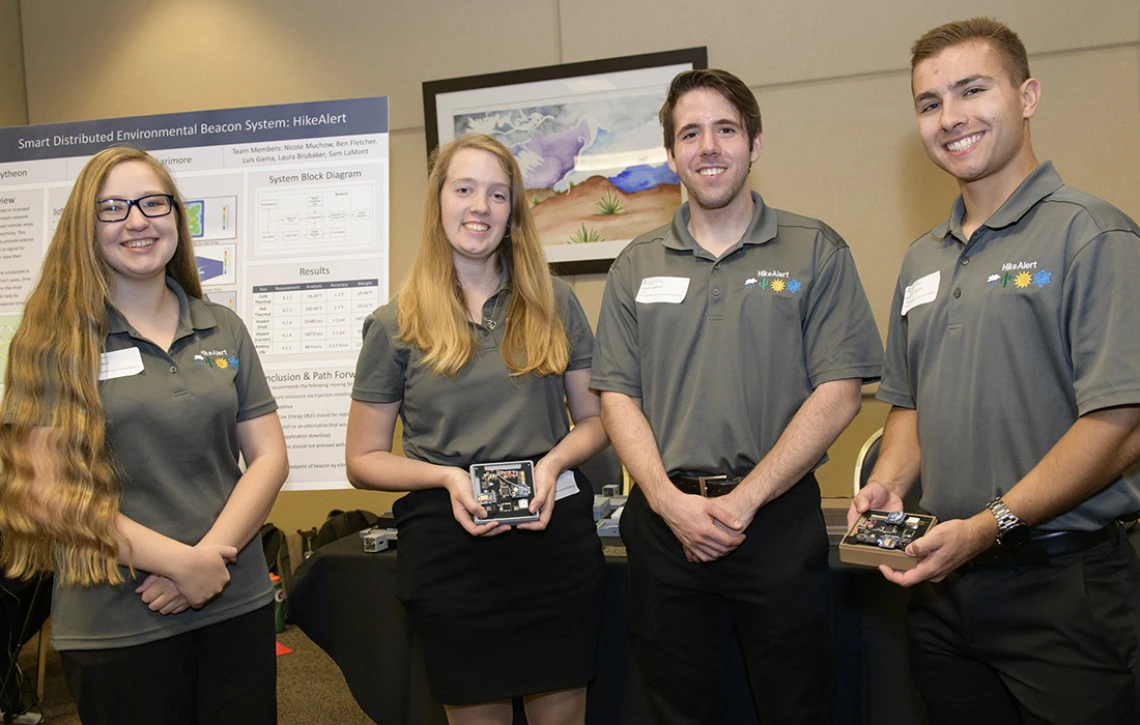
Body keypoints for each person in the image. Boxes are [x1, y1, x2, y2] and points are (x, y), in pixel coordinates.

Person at [849, 17, 1140, 724]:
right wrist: (890, 480)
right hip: (943, 590)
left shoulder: (1094, 236)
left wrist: (989, 524)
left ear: (1028, 95)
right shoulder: (924, 258)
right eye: (928, 103)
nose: (950, 118)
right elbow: (911, 404)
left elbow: (1121, 424)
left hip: (1063, 585)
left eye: (972, 90)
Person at [591, 69, 883, 724]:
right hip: (666, 526)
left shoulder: (816, 251)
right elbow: (617, 396)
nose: (709, 146)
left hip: (775, 521)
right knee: (677, 707)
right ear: (672, 155)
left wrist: (743, 502)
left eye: (725, 129)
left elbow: (840, 391)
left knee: (797, 704)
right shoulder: (636, 265)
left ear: (755, 142)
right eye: (690, 133)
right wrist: (669, 503)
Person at [0, 146, 289, 725]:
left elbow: (268, 457)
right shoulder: (51, 341)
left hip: (234, 598)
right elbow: (45, 494)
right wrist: (180, 565)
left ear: (177, 218)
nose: (137, 220)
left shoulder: (222, 326)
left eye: (153, 203)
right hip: (117, 620)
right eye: (113, 208)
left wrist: (209, 562)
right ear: (86, 227)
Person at [344, 133, 607, 725]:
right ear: (438, 202)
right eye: (464, 189)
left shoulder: (556, 303)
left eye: (496, 193)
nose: (479, 207)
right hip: (449, 546)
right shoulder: (394, 326)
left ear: (513, 210)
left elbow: (594, 423)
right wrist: (445, 478)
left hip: (552, 536)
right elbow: (363, 460)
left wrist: (553, 465)